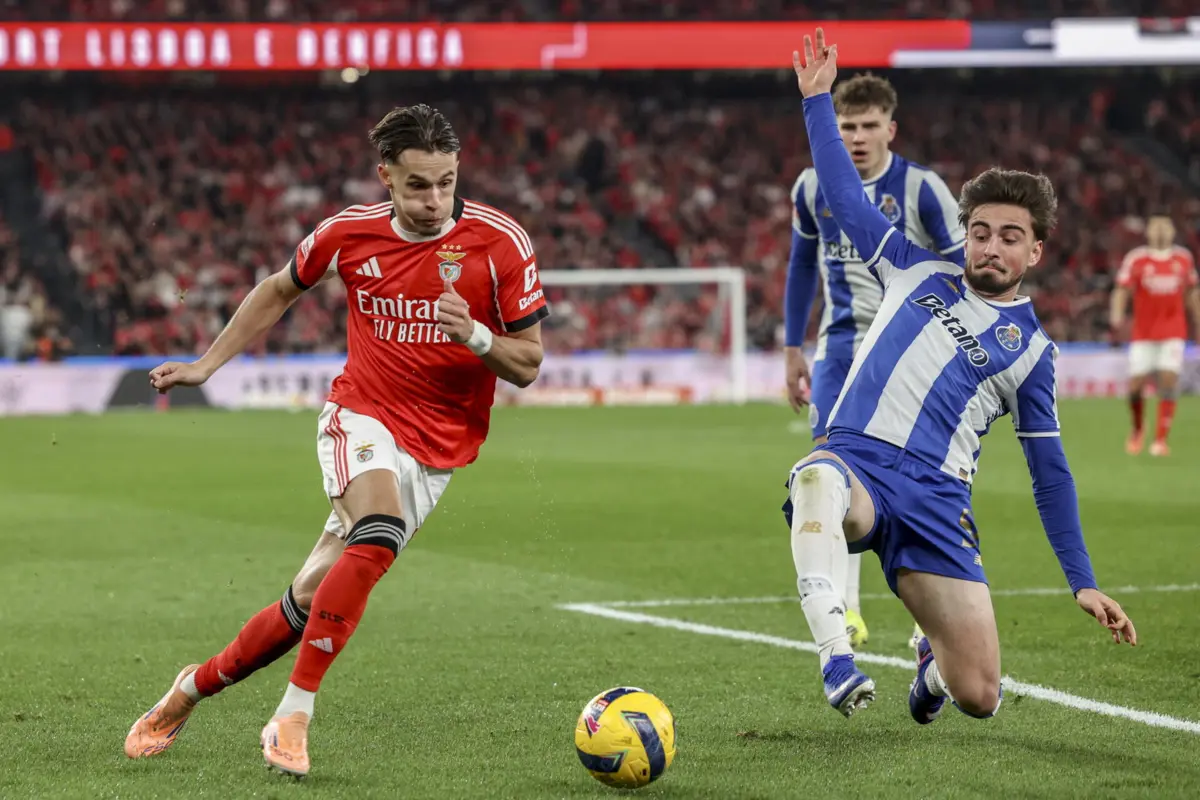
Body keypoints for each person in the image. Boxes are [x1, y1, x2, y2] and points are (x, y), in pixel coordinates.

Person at [124, 104, 550, 776]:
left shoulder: (501, 243)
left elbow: (528, 363)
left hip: (438, 449)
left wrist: (474, 335)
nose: (434, 199)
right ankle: (292, 717)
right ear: (386, 177)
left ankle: (191, 687)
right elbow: (277, 289)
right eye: (417, 185)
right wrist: (207, 365)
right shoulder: (347, 234)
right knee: (376, 533)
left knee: (306, 604)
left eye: (444, 181)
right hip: (362, 413)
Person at [785, 29, 1136, 722]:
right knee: (814, 478)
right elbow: (846, 200)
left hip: (939, 504)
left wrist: (1082, 582)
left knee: (980, 695)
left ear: (1034, 250)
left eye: (1009, 236)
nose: (990, 246)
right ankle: (836, 652)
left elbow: (1051, 472)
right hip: (859, 464)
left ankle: (931, 677)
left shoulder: (1034, 353)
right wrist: (817, 102)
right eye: (980, 231)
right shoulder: (913, 267)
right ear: (965, 232)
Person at [784, 73, 965, 649]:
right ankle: (849, 610)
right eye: (846, 127)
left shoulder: (923, 189)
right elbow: (801, 267)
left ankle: (929, 610)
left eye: (867, 126)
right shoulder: (812, 187)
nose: (857, 137)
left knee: (924, 470)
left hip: (910, 353)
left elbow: (962, 269)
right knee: (829, 471)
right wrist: (793, 347)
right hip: (839, 349)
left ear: (891, 128)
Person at [1109, 214, 1199, 457]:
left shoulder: (1183, 258)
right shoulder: (1137, 259)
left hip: (1173, 331)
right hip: (1143, 333)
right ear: (1148, 231)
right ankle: (1138, 428)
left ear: (1172, 231)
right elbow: (1122, 290)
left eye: (1165, 226)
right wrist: (1117, 315)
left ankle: (1160, 440)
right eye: (1155, 226)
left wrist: (1198, 321)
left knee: (1169, 379)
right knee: (1136, 386)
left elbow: (1192, 293)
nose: (1160, 231)